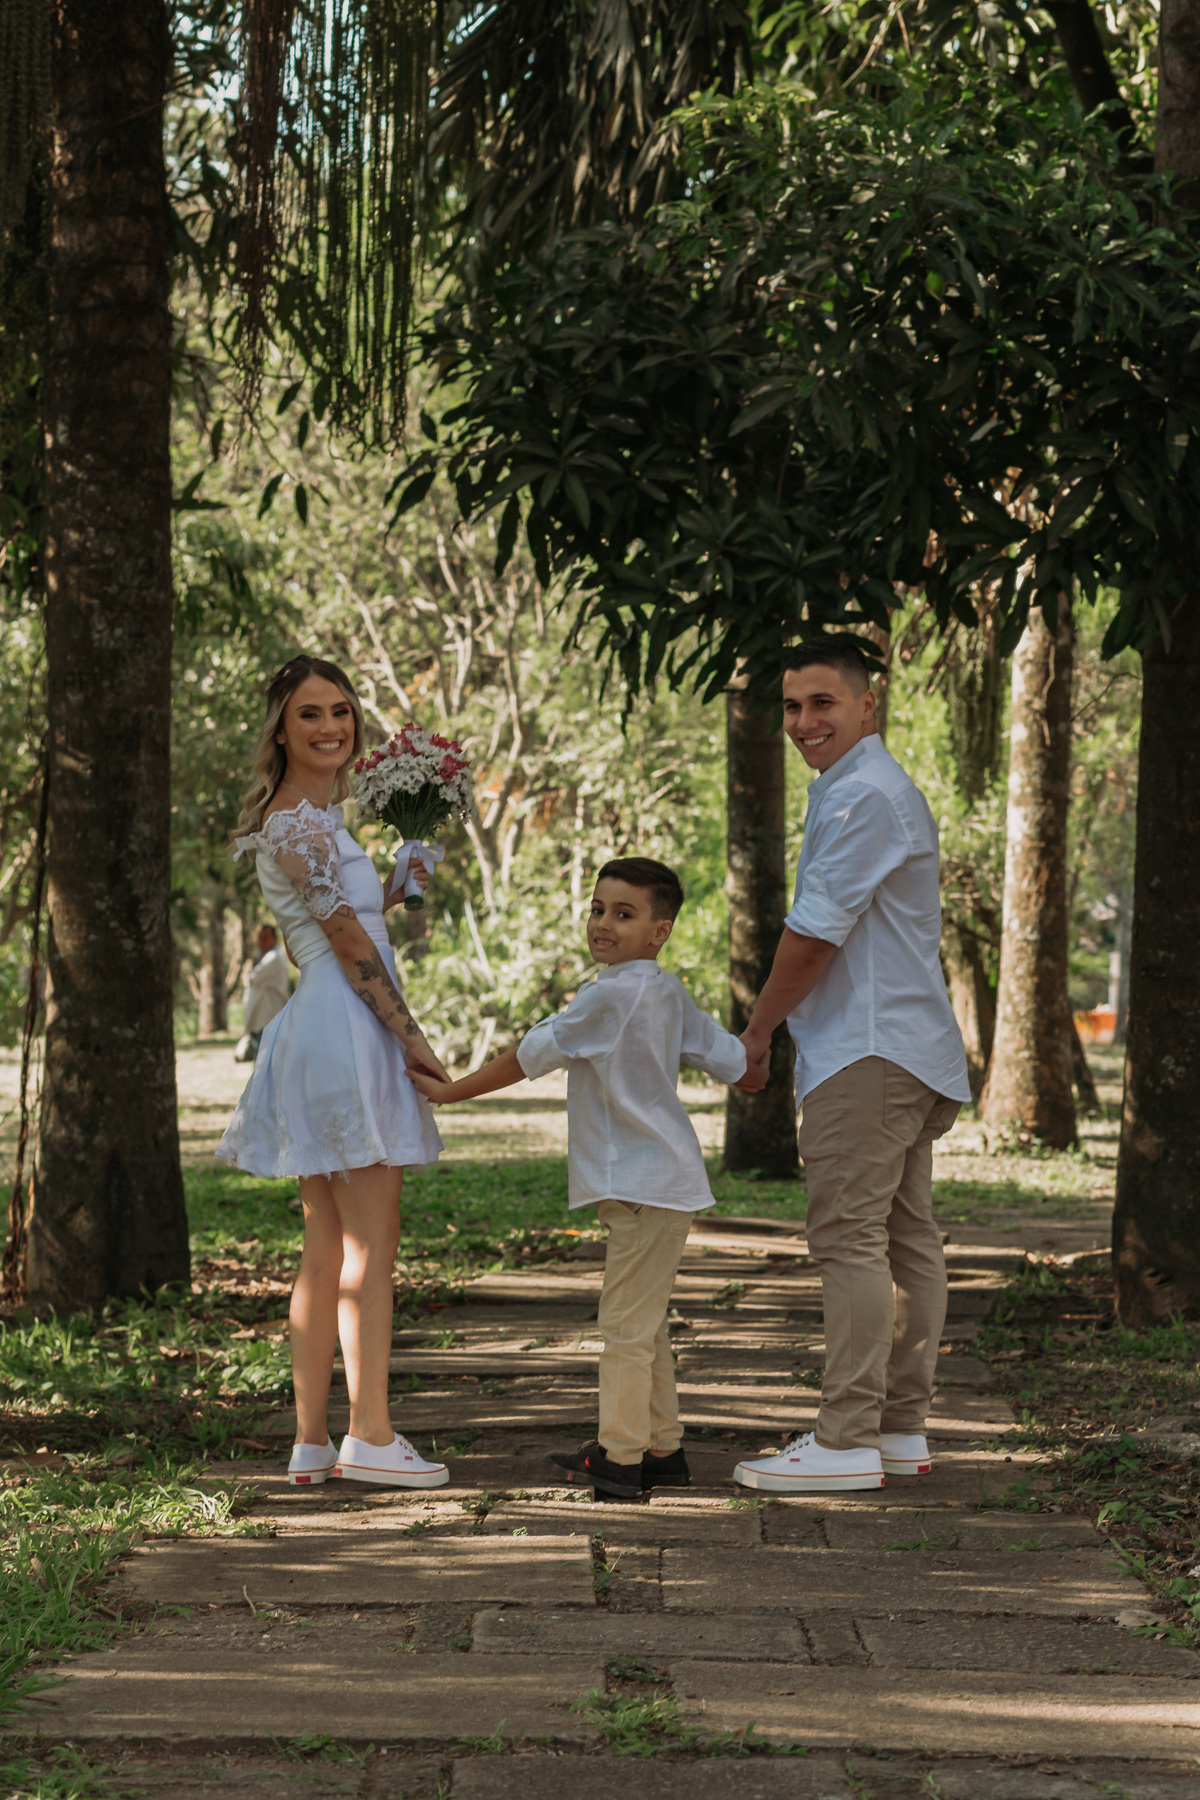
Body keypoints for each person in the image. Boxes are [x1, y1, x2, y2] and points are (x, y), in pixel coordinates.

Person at [408, 856, 762, 1498]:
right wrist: (763, 1055)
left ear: (660, 930)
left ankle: (620, 1459)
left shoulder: (609, 996)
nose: (603, 924)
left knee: (625, 1326)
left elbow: (528, 1057)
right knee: (644, 1323)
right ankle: (662, 1449)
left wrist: (450, 1092)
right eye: (598, 909)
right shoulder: (667, 991)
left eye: (624, 914)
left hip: (642, 1184)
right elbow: (736, 1063)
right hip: (656, 1183)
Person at [732, 636, 971, 1495]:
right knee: (906, 1238)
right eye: (792, 706)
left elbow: (812, 939)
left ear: (868, 705)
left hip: (870, 1052)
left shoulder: (863, 795)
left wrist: (757, 1033)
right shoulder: (859, 788)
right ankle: (896, 1429)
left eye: (823, 703)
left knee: (851, 1239)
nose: (804, 722)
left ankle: (844, 1440)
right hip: (901, 1047)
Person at [217, 655, 451, 1492]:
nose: (330, 727)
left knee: (325, 1246)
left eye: (341, 712)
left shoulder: (311, 818)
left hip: (323, 1021)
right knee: (371, 1243)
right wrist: (411, 1036)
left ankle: (312, 1442)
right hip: (346, 1025)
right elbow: (346, 943)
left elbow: (342, 923)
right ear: (281, 729)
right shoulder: (297, 821)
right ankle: (372, 1436)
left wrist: (400, 878)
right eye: (310, 714)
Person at [236, 924, 291, 1062]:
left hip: (269, 1015)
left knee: (266, 1058)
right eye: (260, 938)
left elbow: (253, 978)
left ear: (274, 939)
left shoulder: (274, 958)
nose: (262, 941)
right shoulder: (263, 957)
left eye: (266, 938)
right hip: (261, 1015)